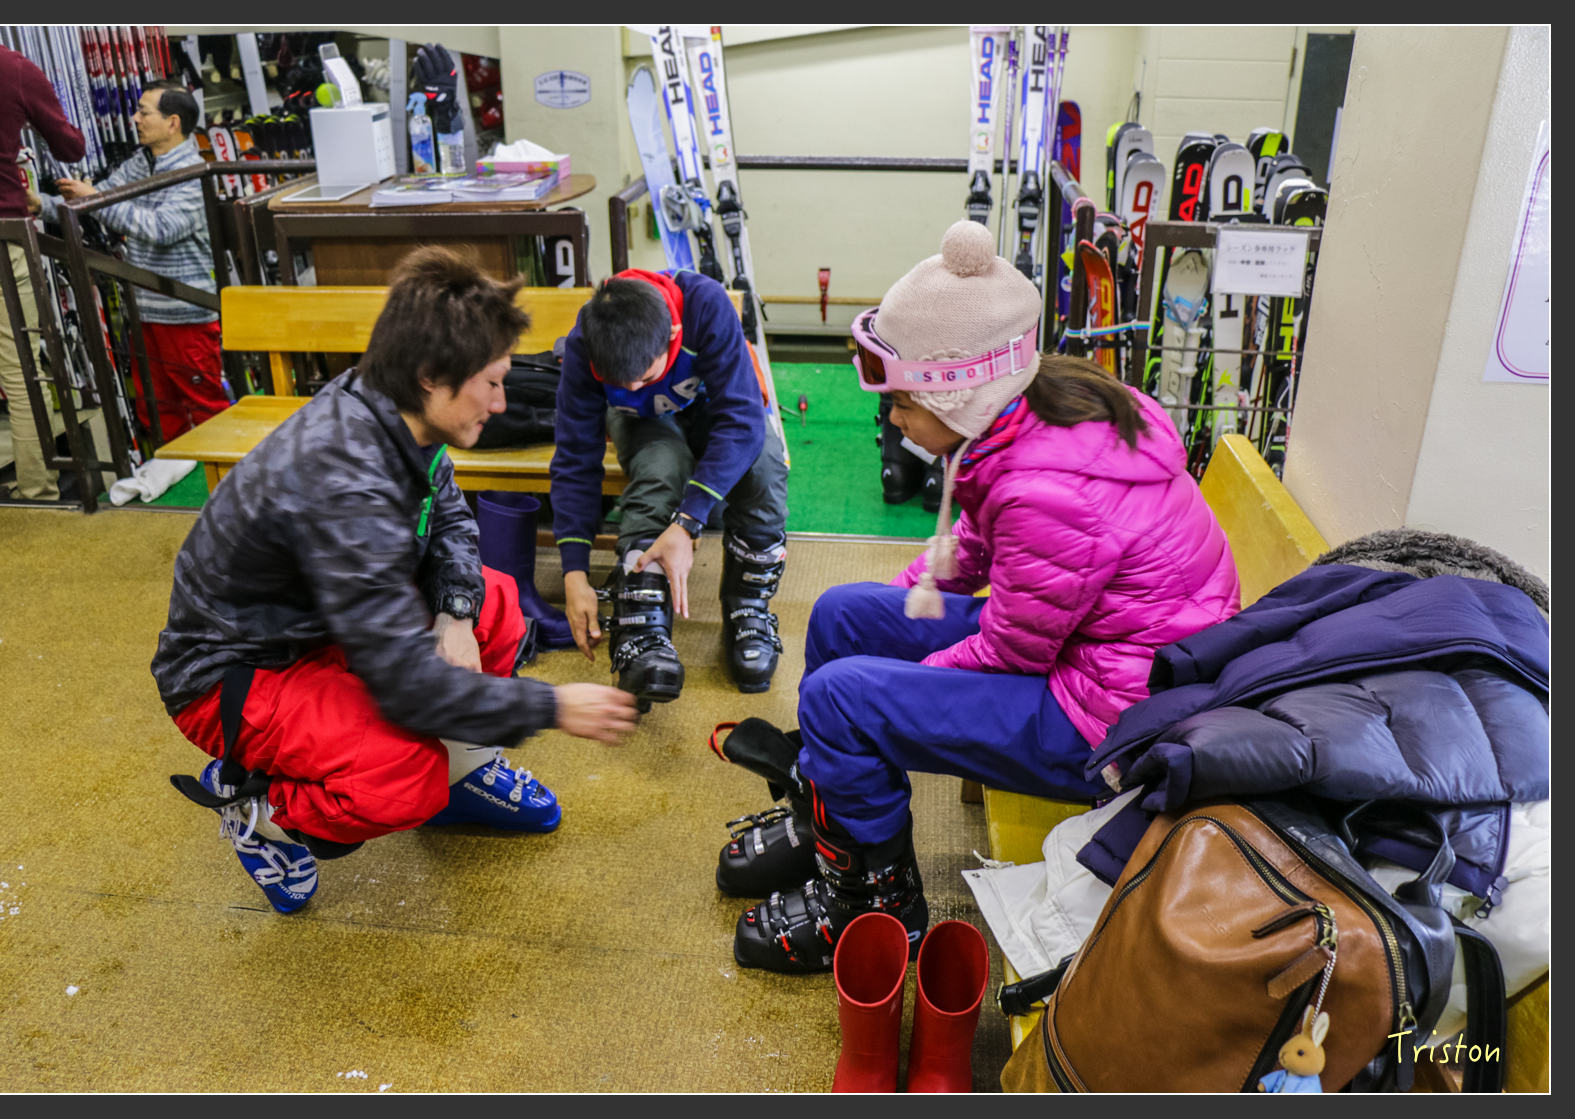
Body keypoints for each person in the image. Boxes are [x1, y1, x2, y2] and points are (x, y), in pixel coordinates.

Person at [714, 221, 1242, 973]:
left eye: (901, 403)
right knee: (842, 614)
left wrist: (894, 693)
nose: (892, 419)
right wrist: (897, 614)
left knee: (841, 698)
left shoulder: (1043, 492)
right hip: (1091, 661)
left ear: (957, 393)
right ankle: (832, 816)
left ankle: (876, 896)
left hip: (1114, 726)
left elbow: (1008, 652)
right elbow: (975, 548)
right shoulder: (1028, 415)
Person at [154, 248, 638, 914]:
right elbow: (408, 685)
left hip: (321, 623)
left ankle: (464, 775)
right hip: (237, 672)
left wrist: (456, 613)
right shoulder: (345, 478)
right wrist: (551, 707)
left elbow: (452, 522)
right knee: (405, 777)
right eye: (491, 383)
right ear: (432, 376)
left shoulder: (399, 412)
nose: (502, 402)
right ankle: (263, 811)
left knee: (493, 603)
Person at [550, 269, 790, 707]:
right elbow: (574, 460)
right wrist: (574, 572)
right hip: (644, 424)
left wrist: (687, 522)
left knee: (765, 466)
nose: (634, 389)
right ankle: (643, 630)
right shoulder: (587, 342)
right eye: (619, 384)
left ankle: (747, 607)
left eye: (644, 377)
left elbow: (743, 421)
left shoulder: (704, 306)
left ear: (672, 336)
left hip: (713, 407)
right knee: (661, 466)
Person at [39, 79, 229, 443]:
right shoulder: (141, 163)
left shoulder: (193, 173)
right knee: (156, 408)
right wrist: (38, 204)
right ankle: (175, 488)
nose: (134, 118)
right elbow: (93, 204)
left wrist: (95, 198)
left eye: (144, 111)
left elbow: (160, 228)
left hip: (185, 314)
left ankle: (229, 489)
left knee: (205, 405)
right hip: (145, 313)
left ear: (173, 123)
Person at [0, 26, 86, 501]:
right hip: (1, 235)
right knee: (24, 368)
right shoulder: (13, 68)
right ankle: (38, 488)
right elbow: (71, 148)